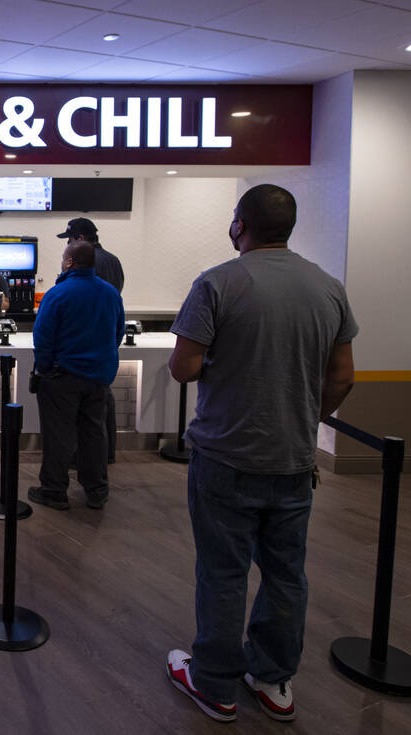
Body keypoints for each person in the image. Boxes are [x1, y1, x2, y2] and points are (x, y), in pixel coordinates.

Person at [165, 184, 357, 723]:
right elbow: (343, 377)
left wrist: (227, 369)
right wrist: (302, 418)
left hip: (226, 455)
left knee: (223, 572)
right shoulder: (328, 287)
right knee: (286, 574)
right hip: (295, 462)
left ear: (239, 225)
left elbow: (183, 367)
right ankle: (273, 680)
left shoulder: (218, 283)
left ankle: (215, 686)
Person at [27, 240, 124, 511]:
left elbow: (43, 338)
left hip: (62, 378)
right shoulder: (111, 294)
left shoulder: (58, 294)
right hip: (99, 378)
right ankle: (96, 491)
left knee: (58, 436)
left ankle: (54, 491)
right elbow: (117, 333)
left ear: (70, 262)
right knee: (94, 433)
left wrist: (45, 369)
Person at [58, 217, 124, 464]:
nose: (67, 246)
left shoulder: (83, 268)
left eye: (70, 240)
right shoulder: (114, 262)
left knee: (79, 415)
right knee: (102, 407)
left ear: (81, 239)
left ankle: (79, 460)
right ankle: (104, 457)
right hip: (103, 354)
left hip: (77, 354)